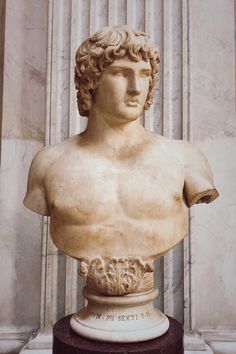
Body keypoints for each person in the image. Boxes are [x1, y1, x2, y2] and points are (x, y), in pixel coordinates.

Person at [24, 26, 219, 260]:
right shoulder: (48, 163)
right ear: (91, 81)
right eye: (120, 73)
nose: (136, 88)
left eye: (145, 74)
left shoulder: (186, 159)